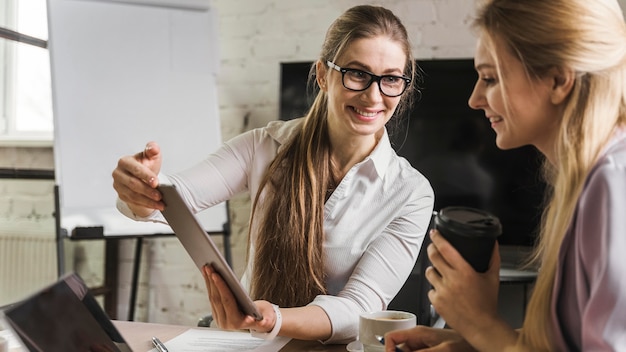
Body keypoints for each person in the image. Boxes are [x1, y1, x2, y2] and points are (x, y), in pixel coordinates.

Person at [112, 5, 434, 344]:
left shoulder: (410, 193)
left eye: (391, 79)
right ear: (323, 75)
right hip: (243, 343)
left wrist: (274, 319)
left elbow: (359, 308)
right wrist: (140, 188)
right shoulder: (264, 145)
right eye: (357, 73)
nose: (373, 95)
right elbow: (177, 196)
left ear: (403, 85)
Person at [384, 0, 626, 351]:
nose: (474, 99)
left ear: (558, 79)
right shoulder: (590, 178)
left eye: (490, 78)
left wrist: (479, 322)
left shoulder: (612, 184)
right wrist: (465, 342)